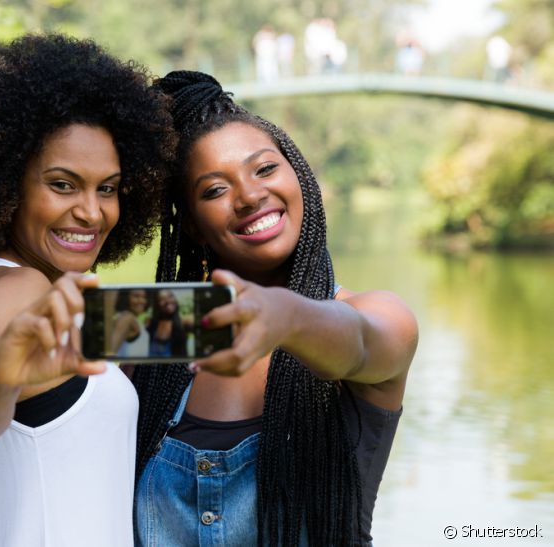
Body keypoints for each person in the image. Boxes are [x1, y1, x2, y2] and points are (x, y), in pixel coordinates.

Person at [133, 71, 418, 546]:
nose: (248, 196)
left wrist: (284, 315)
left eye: (264, 169)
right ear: (194, 228)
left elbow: (359, 343)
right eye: (214, 190)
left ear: (299, 177)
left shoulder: (379, 316)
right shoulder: (162, 324)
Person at [0, 34, 174, 546]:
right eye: (62, 184)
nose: (92, 212)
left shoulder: (61, 301)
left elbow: (209, 327)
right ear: (4, 184)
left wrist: (277, 314)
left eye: (109, 188)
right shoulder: (14, 290)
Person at [147, 289, 189, 357]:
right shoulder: (151, 323)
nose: (167, 301)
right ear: (157, 304)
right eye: (161, 299)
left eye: (170, 296)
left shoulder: (184, 323)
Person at [111, 289, 152, 357]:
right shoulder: (127, 318)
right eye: (136, 296)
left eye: (144, 297)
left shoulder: (133, 318)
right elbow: (110, 352)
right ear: (126, 298)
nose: (141, 301)